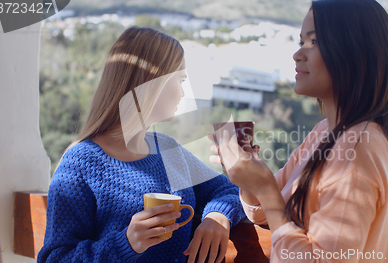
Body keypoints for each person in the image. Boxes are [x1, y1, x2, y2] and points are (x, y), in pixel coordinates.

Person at [210, 0, 388, 262]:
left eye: (315, 42)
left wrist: (266, 189)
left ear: (355, 52)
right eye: (301, 41)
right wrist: (248, 176)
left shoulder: (358, 148)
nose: (298, 54)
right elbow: (265, 212)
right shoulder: (325, 131)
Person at [38, 27, 245, 263]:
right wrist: (126, 243)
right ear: (149, 83)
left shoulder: (168, 150)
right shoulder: (81, 164)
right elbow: (55, 258)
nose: (183, 91)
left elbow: (228, 189)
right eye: (179, 80)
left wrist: (217, 216)